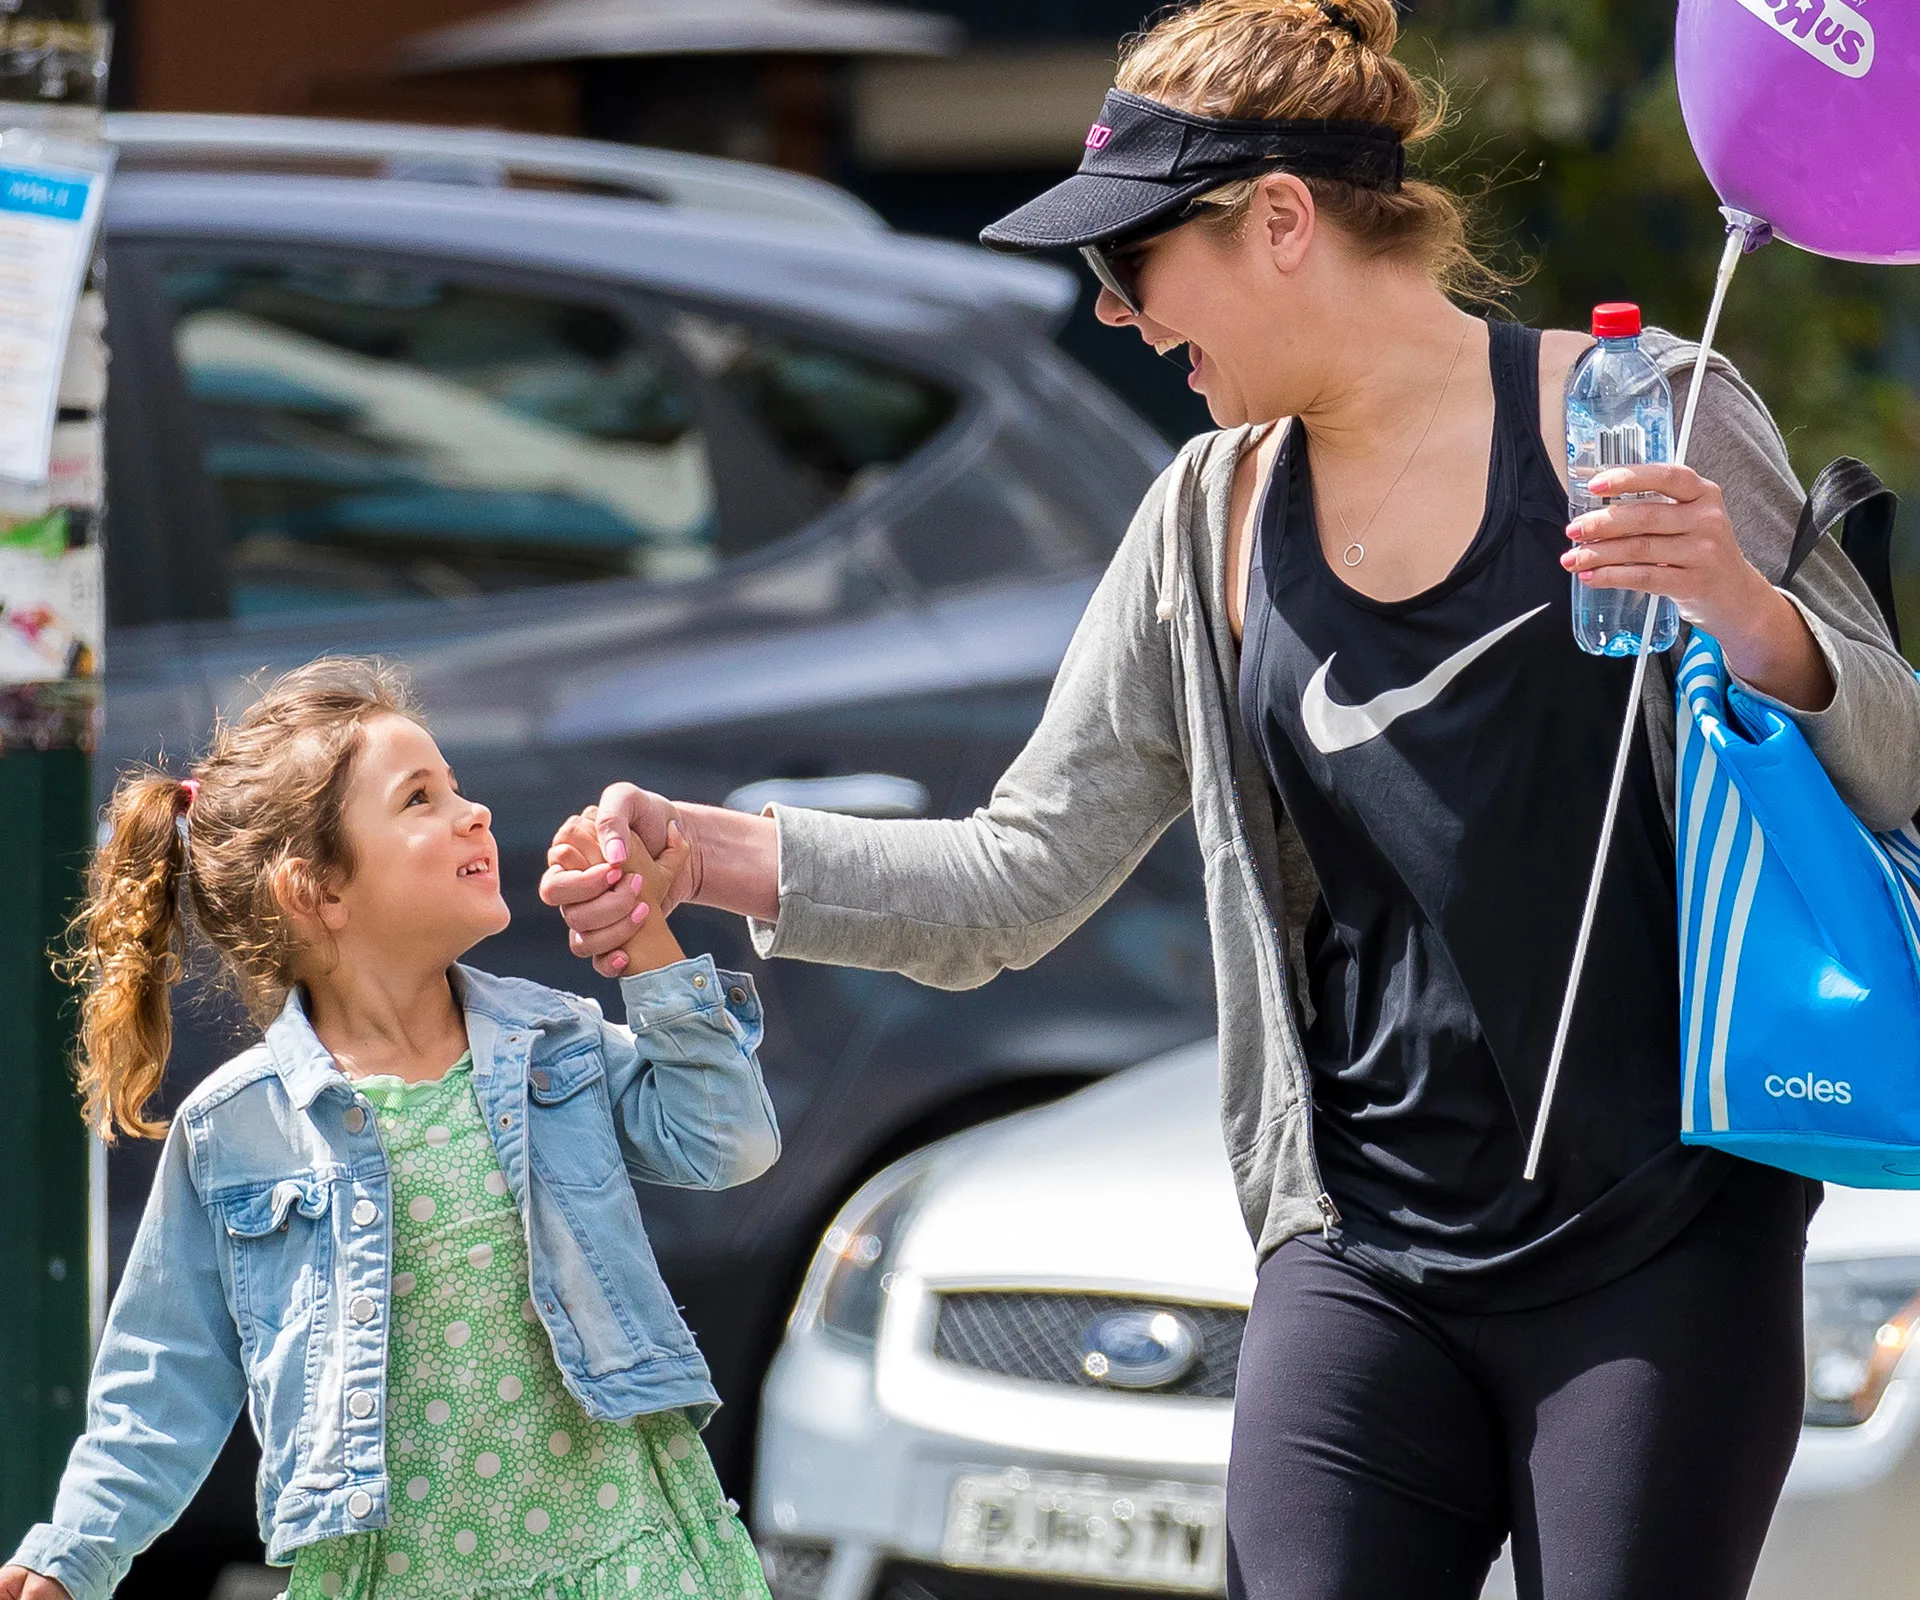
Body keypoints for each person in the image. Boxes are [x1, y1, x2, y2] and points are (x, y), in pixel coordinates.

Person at [544, 2, 1920, 1596]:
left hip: (1662, 1255)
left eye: (1132, 266)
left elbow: (1897, 768)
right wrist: (712, 852)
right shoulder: (1207, 516)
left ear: (1281, 221)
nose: (1116, 317)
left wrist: (1756, 618)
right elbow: (1018, 872)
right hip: (1361, 1255)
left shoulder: (1637, 415)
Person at [0, 658, 779, 1600]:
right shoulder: (235, 1130)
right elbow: (161, 1381)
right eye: (419, 798)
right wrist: (72, 1555)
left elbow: (727, 1140)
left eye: (457, 785)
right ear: (316, 890)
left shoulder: (554, 1046)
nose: (474, 812)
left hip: (625, 1559)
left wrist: (642, 935)